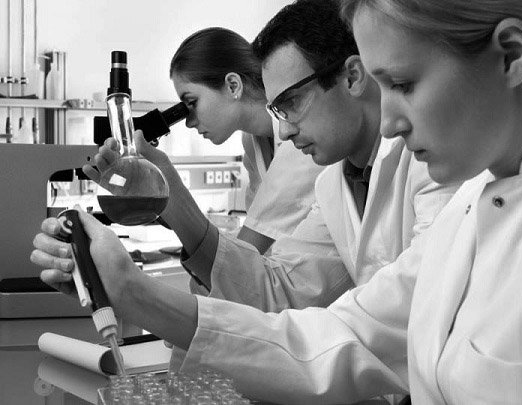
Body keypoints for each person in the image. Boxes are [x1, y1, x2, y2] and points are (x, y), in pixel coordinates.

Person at [53, 0, 522, 404]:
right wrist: (135, 293)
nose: (389, 122)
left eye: (403, 83)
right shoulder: (471, 205)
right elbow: (344, 334)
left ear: (511, 55)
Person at [83, 0, 456, 314]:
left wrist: (143, 295)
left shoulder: (428, 162)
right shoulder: (332, 184)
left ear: (352, 77)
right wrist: (171, 202)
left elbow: (397, 314)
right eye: (278, 110)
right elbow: (278, 288)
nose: (286, 132)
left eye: (291, 102)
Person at [88, 27, 325, 257]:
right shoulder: (253, 142)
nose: (189, 122)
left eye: (192, 103)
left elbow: (243, 255)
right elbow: (250, 256)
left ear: (233, 85)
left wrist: (169, 190)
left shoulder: (301, 141)